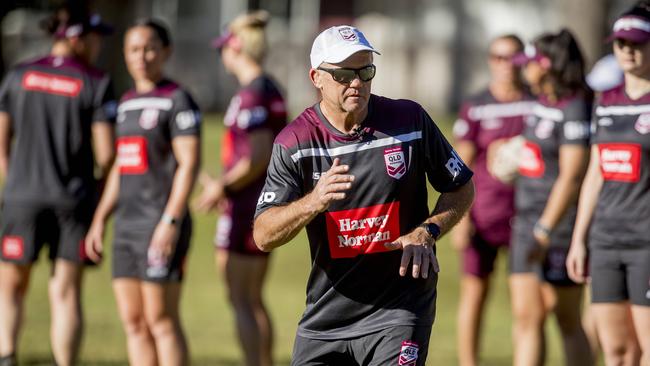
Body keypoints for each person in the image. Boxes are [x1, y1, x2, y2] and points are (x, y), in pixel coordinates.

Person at [253, 25, 474, 366]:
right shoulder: (294, 142)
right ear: (316, 77)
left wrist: (428, 231)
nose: (356, 82)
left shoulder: (409, 122)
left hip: (400, 310)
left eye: (365, 71)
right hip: (327, 318)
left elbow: (460, 186)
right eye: (343, 74)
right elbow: (264, 235)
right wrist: (313, 201)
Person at [0, 8, 115, 366]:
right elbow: (107, 153)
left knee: (11, 287)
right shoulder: (95, 80)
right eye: (95, 38)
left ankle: (6, 357)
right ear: (77, 38)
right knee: (65, 292)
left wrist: (15, 180)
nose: (99, 46)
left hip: (21, 199)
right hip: (73, 201)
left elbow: (1, 142)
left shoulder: (18, 74)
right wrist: (97, 187)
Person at [84, 19, 201, 366]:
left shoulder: (177, 99)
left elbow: (189, 164)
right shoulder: (126, 103)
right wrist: (99, 220)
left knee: (160, 321)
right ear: (125, 53)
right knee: (134, 323)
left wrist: (170, 220)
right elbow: (122, 166)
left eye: (150, 48)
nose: (142, 56)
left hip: (159, 224)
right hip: (126, 228)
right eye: (134, 49)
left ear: (165, 51)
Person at [195, 10, 286, 366]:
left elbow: (259, 155)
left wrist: (222, 186)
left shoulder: (253, 94)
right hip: (255, 203)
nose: (221, 56)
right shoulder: (268, 88)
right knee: (251, 298)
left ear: (236, 49)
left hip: (251, 207)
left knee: (243, 299)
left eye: (224, 48)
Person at [567, 2, 650, 365]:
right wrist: (579, 239)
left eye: (637, 43)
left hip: (646, 242)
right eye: (621, 43)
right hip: (606, 241)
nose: (628, 51)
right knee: (615, 351)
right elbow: (596, 173)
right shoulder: (605, 102)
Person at [509, 29, 594, 366]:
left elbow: (572, 176)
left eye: (528, 63)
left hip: (557, 227)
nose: (523, 70)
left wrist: (545, 230)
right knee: (526, 317)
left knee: (567, 319)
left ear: (545, 65)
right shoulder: (541, 102)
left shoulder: (575, 107)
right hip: (525, 221)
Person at [451, 34, 532, 366]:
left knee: (526, 305)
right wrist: (461, 218)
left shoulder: (535, 101)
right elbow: (460, 165)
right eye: (498, 57)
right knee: (474, 296)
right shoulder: (477, 106)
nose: (505, 64)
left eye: (512, 57)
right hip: (483, 214)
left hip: (526, 215)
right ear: (489, 60)